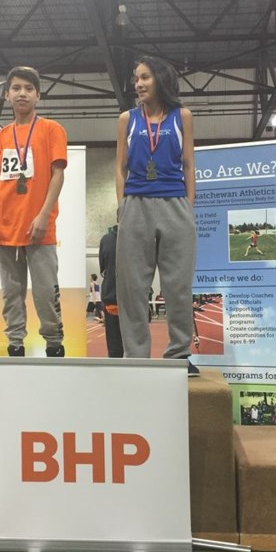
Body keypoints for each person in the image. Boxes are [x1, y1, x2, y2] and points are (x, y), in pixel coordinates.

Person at [115, 56, 198, 376]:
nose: (138, 83)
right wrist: (122, 205)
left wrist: (189, 206)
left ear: (161, 79)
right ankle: (135, 356)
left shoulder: (183, 116)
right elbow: (119, 166)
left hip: (175, 204)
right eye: (136, 78)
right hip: (136, 205)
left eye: (145, 77)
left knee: (178, 286)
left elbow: (189, 163)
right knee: (133, 288)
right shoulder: (127, 119)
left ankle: (178, 353)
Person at [0, 66, 67, 358]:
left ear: (38, 96)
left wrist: (44, 215)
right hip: (5, 230)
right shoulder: (0, 137)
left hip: (39, 230)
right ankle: (15, 346)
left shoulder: (51, 130)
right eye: (16, 88)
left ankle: (54, 344)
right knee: (11, 296)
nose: (22, 93)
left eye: (29, 88)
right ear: (7, 95)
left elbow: (58, 175)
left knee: (45, 295)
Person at [98, 222, 123, 357]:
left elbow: (103, 268)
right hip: (132, 299)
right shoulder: (139, 238)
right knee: (136, 346)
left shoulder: (106, 239)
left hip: (111, 294)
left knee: (114, 346)